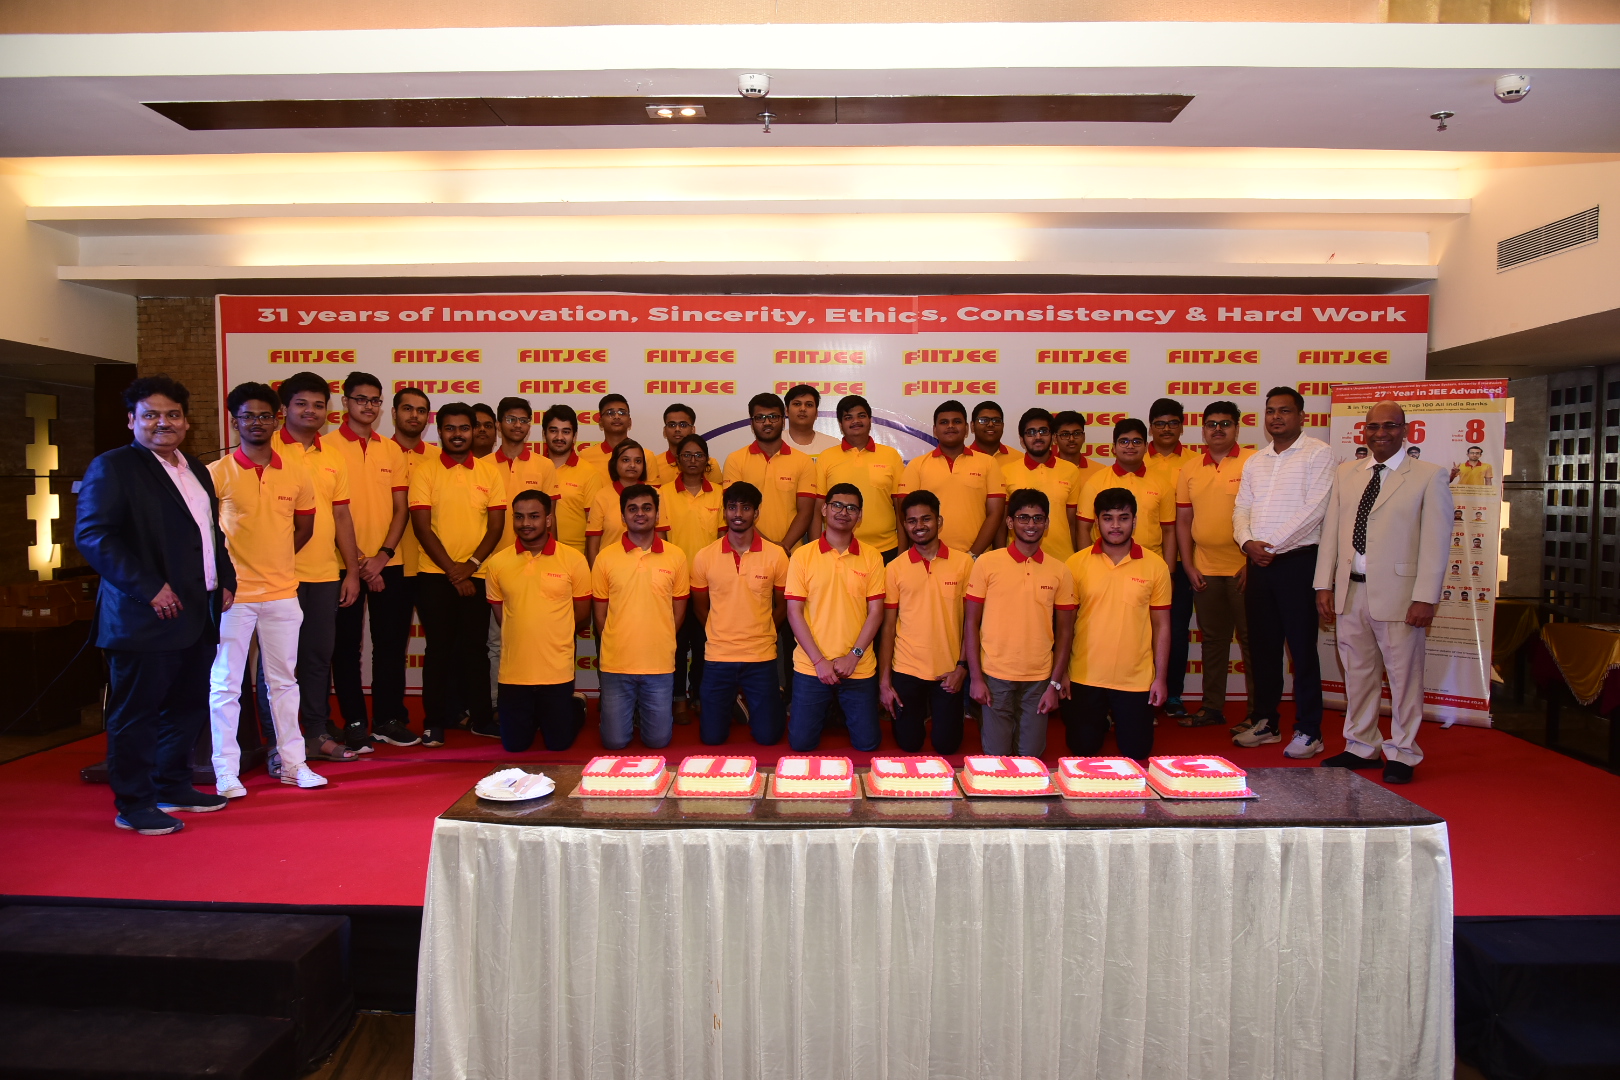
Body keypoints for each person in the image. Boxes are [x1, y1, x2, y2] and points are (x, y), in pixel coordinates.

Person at [75, 374, 237, 834]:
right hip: (144, 615)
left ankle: (172, 785)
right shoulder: (113, 467)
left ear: (186, 422)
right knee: (137, 715)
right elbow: (94, 536)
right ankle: (135, 802)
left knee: (187, 708)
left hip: (197, 612)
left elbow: (209, 533)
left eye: (172, 415)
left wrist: (225, 580)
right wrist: (149, 588)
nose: (163, 423)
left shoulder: (196, 469)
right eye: (151, 415)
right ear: (132, 420)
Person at [1315, 400, 1452, 785]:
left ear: (1405, 430)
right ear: (1364, 431)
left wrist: (1426, 597)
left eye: (1390, 426)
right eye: (1373, 426)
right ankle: (1361, 746)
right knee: (1358, 674)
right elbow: (1331, 534)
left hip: (1402, 597)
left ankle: (1403, 752)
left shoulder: (1429, 476)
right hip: (1350, 593)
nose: (1381, 433)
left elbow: (1436, 542)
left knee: (1404, 679)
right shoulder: (1347, 473)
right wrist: (1324, 584)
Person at [206, 382, 325, 794]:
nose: (256, 422)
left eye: (264, 415)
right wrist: (226, 579)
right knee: (225, 685)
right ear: (234, 422)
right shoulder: (216, 474)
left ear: (277, 419)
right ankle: (225, 770)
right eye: (247, 416)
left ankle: (294, 764)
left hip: (282, 594)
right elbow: (205, 536)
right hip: (232, 598)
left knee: (284, 684)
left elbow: (304, 527)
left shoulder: (296, 471)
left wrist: (276, 559)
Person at [259, 372, 363, 769]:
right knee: (277, 665)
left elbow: (342, 516)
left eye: (319, 405)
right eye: (302, 404)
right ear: (284, 408)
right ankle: (278, 744)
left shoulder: (332, 457)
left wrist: (350, 571)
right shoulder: (264, 448)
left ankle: (316, 734)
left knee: (318, 658)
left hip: (323, 574)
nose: (311, 411)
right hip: (276, 576)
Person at [1232, 386, 1335, 759]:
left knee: (1302, 650)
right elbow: (1241, 508)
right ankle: (1266, 722)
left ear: (1302, 416)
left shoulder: (1318, 453)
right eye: (1271, 411)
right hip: (1258, 563)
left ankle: (1310, 729)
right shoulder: (1255, 461)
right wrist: (1247, 542)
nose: (1276, 417)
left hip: (1297, 562)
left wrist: (1268, 546)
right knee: (1263, 648)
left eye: (1285, 411)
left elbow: (1316, 509)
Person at [408, 402, 507, 747]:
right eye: (450, 428)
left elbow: (496, 526)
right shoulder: (425, 472)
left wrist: (472, 565)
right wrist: (455, 572)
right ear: (439, 432)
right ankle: (434, 722)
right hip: (435, 575)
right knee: (438, 650)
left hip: (476, 574)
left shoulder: (489, 473)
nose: (458, 434)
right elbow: (422, 528)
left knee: (475, 650)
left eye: (464, 428)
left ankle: (481, 718)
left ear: (473, 431)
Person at [329, 371, 414, 752]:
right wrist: (359, 563)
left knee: (391, 646)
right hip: (340, 565)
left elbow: (401, 509)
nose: (368, 406)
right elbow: (331, 511)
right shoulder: (326, 448)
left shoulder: (391, 450)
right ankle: (355, 722)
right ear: (345, 402)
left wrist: (382, 557)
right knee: (345, 648)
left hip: (388, 563)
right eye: (360, 399)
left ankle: (387, 719)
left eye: (374, 400)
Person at [963, 489, 1077, 756]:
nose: (1031, 524)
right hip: (995, 675)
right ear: (1010, 522)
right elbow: (970, 623)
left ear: (1047, 523)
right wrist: (976, 678)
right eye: (1023, 518)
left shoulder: (1060, 570)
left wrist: (1054, 684)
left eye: (1038, 518)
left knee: (1031, 758)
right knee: (996, 758)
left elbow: (1065, 631)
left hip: (1039, 678)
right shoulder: (987, 563)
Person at [1062, 487, 1173, 760]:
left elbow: (1162, 626)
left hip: (1135, 679)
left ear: (1134, 520)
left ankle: (1115, 720)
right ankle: (1102, 721)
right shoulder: (1075, 564)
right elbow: (1064, 626)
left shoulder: (1156, 566)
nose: (1115, 526)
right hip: (1085, 675)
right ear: (1096, 521)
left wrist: (1160, 678)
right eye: (1107, 518)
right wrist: (1061, 673)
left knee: (1137, 752)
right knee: (1083, 749)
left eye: (1123, 518)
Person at [484, 489, 592, 752]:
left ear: (548, 519)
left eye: (534, 516)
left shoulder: (573, 560)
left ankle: (576, 705)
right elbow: (501, 616)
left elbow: (581, 614)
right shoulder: (497, 563)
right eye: (519, 517)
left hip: (556, 671)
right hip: (514, 673)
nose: (526, 523)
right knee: (514, 746)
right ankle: (535, 717)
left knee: (558, 745)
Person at [784, 482, 888, 751]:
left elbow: (876, 612)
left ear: (859, 516)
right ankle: (831, 711)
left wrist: (854, 656)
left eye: (852, 508)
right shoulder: (802, 556)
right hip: (812, 666)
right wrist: (819, 661)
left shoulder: (872, 557)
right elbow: (794, 612)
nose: (844, 512)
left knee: (867, 744)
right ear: (824, 510)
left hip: (857, 666)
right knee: (801, 744)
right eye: (837, 505)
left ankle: (837, 712)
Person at [1172, 400, 1255, 728]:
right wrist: (1188, 566)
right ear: (1203, 430)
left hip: (1244, 570)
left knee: (1252, 642)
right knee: (1213, 643)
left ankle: (1257, 714)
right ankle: (1211, 708)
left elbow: (1265, 515)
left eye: (1225, 424)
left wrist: (1253, 563)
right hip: (1205, 570)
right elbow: (1183, 521)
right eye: (1211, 424)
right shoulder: (1190, 468)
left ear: (1237, 428)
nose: (1218, 430)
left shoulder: (1253, 462)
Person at [591, 483, 690, 749]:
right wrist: (616, 643)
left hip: (659, 664)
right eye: (632, 509)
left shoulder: (676, 556)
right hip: (616, 664)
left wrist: (661, 639)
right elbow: (600, 617)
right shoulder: (605, 558)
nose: (640, 514)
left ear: (657, 514)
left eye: (647, 508)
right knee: (614, 742)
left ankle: (637, 715)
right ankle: (620, 717)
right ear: (623, 516)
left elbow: (679, 611)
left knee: (658, 741)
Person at [690, 481, 790, 745]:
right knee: (712, 738)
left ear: (756, 513)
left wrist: (766, 631)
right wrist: (718, 630)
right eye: (732, 507)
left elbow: (783, 605)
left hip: (760, 656)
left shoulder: (777, 555)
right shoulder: (704, 557)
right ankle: (732, 700)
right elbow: (700, 607)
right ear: (724, 512)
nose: (738, 514)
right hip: (718, 656)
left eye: (746, 508)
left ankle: (760, 701)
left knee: (769, 737)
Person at [879, 491, 973, 753]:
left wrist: (962, 668)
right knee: (909, 744)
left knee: (947, 746)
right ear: (905, 525)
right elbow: (888, 627)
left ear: (939, 521)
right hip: (907, 669)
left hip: (948, 671)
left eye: (926, 519)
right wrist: (885, 681)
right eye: (912, 521)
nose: (919, 526)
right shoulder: (894, 568)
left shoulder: (964, 563)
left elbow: (971, 622)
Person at [371, 385, 432, 746]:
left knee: (442, 646)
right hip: (391, 565)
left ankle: (445, 713)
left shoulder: (438, 457)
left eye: (421, 410)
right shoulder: (377, 451)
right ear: (393, 413)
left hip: (431, 566)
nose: (414, 415)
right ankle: (387, 717)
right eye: (407, 409)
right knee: (390, 648)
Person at [657, 433, 725, 724]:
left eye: (699, 455)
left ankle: (699, 695)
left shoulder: (720, 494)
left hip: (708, 584)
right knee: (674, 643)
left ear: (707, 460)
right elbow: (660, 538)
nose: (693, 460)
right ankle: (678, 700)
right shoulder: (663, 494)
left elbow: (723, 539)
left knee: (704, 642)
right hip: (673, 582)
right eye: (687, 455)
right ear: (677, 460)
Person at [897, 399, 1006, 556]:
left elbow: (995, 513)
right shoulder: (917, 465)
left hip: (977, 558)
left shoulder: (988, 463)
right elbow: (905, 514)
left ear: (966, 429)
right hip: (929, 558)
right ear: (935, 430)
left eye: (957, 421)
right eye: (944, 422)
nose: (950, 426)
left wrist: (972, 555)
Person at [1144, 398, 1196, 720]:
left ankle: (1173, 693)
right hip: (1141, 563)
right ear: (1151, 427)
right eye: (1160, 423)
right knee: (1138, 633)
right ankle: (1139, 694)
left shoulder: (1194, 462)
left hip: (1181, 563)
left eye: (1173, 423)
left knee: (1175, 630)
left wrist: (1175, 568)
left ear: (1182, 427)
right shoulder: (1136, 458)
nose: (1166, 429)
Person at [721, 392, 819, 551]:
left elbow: (806, 512)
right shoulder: (735, 460)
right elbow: (734, 511)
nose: (767, 422)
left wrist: (783, 547)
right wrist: (769, 548)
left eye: (773, 417)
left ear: (783, 420)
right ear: (752, 423)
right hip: (746, 551)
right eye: (760, 418)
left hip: (791, 551)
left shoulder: (803, 461)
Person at [814, 394, 905, 562]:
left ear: (870, 420)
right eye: (848, 417)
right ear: (840, 424)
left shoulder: (891, 456)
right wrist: (815, 552)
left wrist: (902, 552)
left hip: (886, 548)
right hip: (838, 550)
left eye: (861, 416)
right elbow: (818, 510)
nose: (855, 421)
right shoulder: (826, 457)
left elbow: (901, 508)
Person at [1077, 420, 1177, 564]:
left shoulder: (1162, 484)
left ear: (1146, 447)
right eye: (1124, 441)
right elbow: (1083, 529)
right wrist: (1087, 566)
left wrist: (1169, 571)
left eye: (1136, 441)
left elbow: (1169, 531)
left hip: (1150, 564)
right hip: (1104, 564)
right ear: (1114, 448)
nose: (1130, 446)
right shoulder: (1095, 482)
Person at [999, 407, 1083, 561]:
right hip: (1018, 560)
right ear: (1022, 439)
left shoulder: (1070, 470)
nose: (1038, 436)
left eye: (1043, 431)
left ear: (1053, 436)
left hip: (1062, 559)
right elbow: (1002, 523)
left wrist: (1077, 559)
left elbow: (1073, 523)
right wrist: (1000, 558)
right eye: (1031, 432)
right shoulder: (1006, 472)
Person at [540, 403, 604, 555]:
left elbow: (594, 527)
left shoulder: (589, 473)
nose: (559, 437)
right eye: (553, 431)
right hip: (534, 557)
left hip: (575, 558)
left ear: (574, 436)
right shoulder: (533, 468)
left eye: (566, 432)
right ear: (544, 434)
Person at [585, 439, 649, 565]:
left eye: (638, 461)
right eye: (625, 460)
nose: (632, 465)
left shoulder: (655, 495)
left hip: (647, 568)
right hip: (610, 568)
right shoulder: (601, 496)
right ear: (615, 463)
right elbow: (593, 545)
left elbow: (661, 539)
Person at [647, 403, 722, 487]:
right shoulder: (653, 464)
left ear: (693, 430)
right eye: (672, 425)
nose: (677, 429)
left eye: (683, 425)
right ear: (664, 431)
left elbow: (717, 493)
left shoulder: (710, 463)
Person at [578, 393, 632, 479]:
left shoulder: (645, 456)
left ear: (630, 421)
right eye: (610, 413)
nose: (617, 416)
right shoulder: (585, 456)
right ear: (600, 422)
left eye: (622, 413)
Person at [784, 383, 840, 455]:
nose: (803, 409)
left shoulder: (833, 445)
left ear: (816, 413)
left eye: (809, 405)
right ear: (787, 411)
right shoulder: (774, 443)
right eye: (797, 404)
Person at [1053, 410, 1093, 475]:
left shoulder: (1100, 470)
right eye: (1065, 434)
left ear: (1083, 437)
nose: (1071, 439)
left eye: (1077, 433)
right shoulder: (1045, 470)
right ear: (1055, 438)